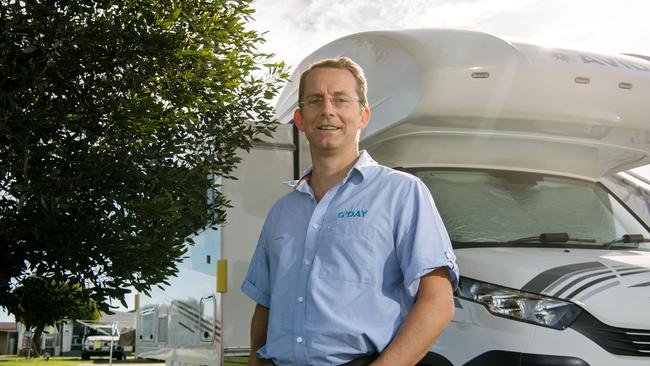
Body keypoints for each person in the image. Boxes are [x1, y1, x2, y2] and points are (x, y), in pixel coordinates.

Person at [241, 57, 458, 366]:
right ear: (300, 119)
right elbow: (265, 306)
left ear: (363, 115)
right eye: (316, 100)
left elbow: (438, 302)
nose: (328, 110)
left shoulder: (402, 192)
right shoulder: (282, 211)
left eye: (340, 99)